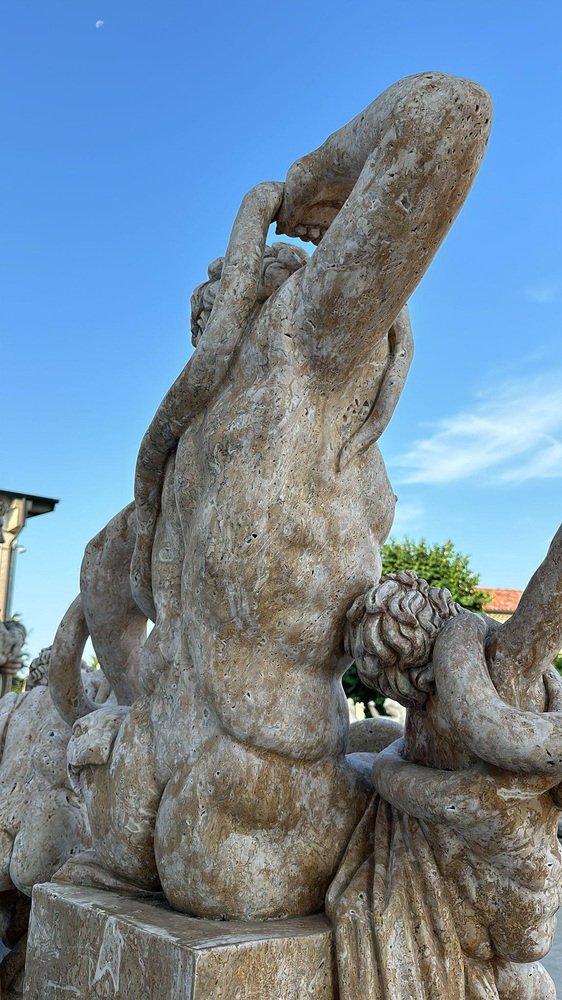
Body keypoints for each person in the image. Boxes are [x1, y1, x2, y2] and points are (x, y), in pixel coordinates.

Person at [53, 72, 492, 919]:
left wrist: (129, 702)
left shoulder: (182, 460)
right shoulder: (299, 355)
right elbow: (447, 115)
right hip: (261, 806)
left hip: (159, 793)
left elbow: (101, 588)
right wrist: (315, 174)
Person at [328, 526, 562, 1000]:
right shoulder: (470, 688)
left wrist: (404, 781)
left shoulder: (478, 676)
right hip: (504, 902)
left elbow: (547, 603)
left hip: (504, 899)